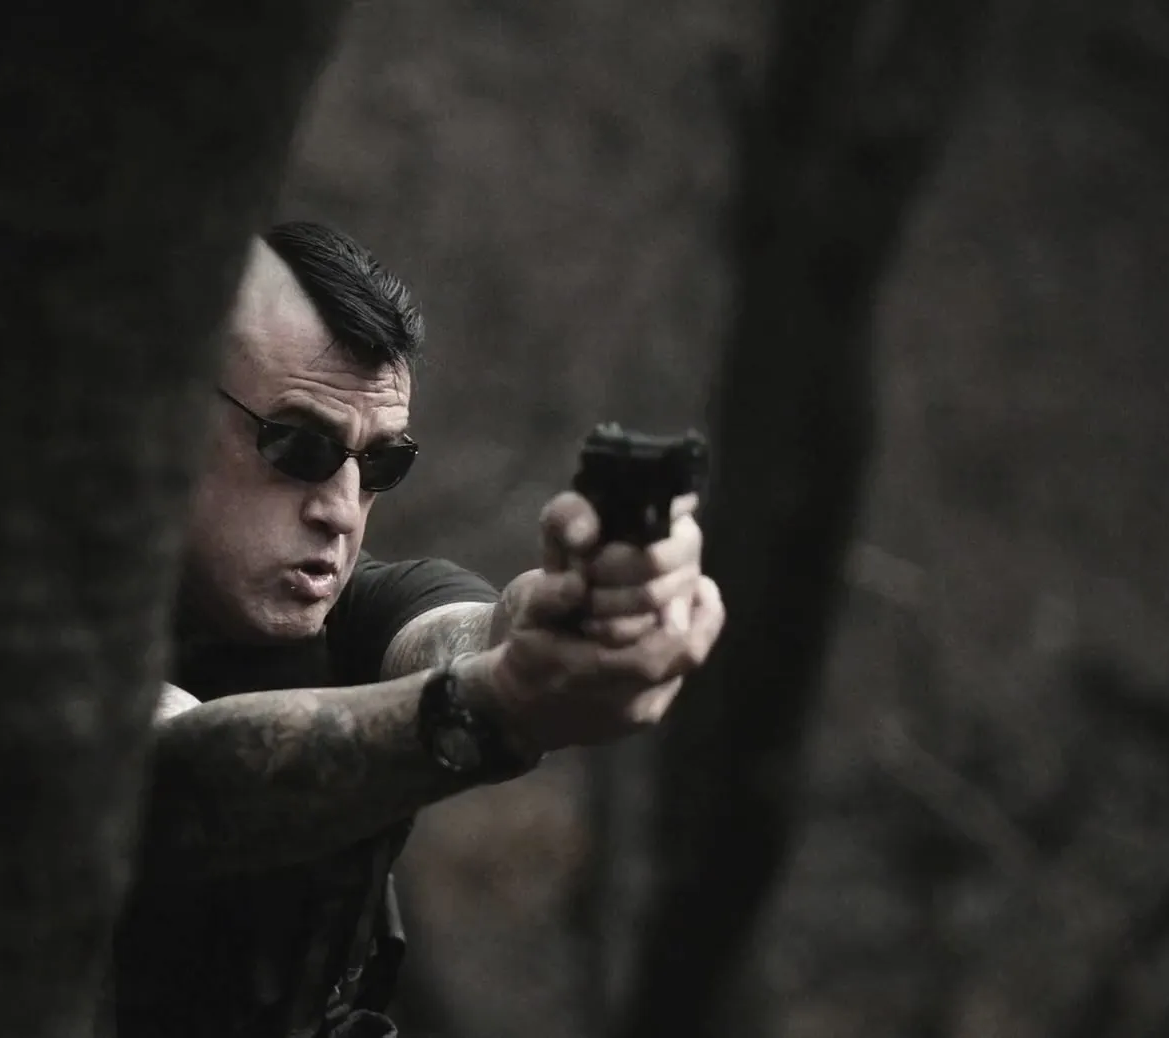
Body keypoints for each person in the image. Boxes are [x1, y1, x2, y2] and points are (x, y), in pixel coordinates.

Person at [108, 222, 726, 1038]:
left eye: (380, 463)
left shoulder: (357, 607)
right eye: (298, 446)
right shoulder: (38, 635)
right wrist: (490, 707)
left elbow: (482, 633)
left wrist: (591, 609)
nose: (341, 510)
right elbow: (191, 770)